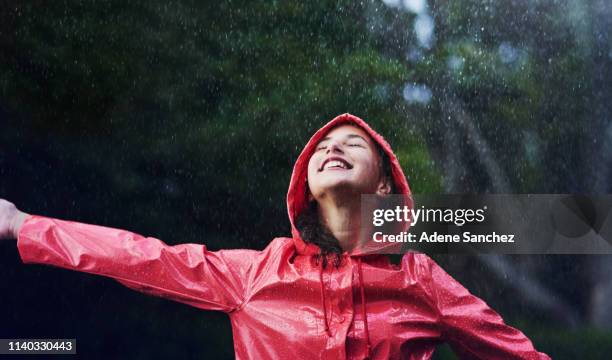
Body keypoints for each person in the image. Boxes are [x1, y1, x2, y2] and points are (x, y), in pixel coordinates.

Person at [1, 113, 550, 359]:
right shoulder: (254, 273)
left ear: (384, 182)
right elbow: (141, 258)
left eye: (351, 143)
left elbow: (516, 354)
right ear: (306, 187)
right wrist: (24, 224)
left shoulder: (420, 278)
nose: (330, 147)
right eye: (321, 146)